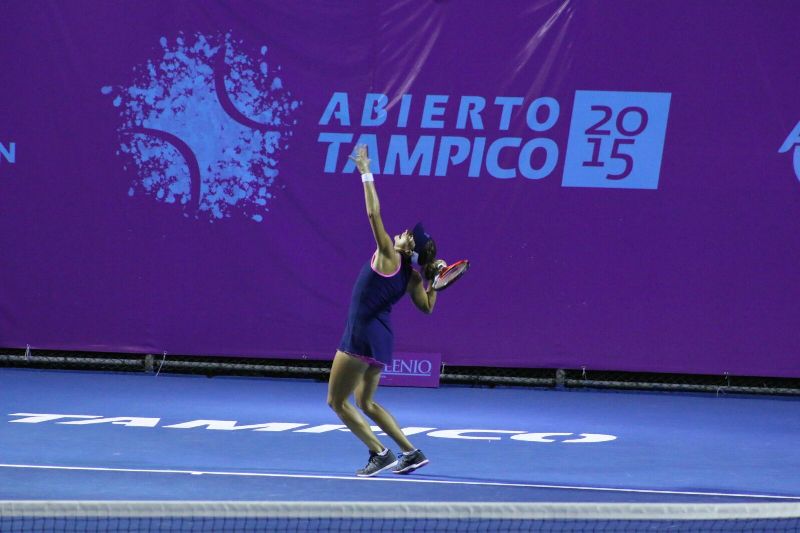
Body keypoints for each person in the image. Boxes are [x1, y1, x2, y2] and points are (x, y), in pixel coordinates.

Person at [327, 144, 444, 477]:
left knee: (337, 402)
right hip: (381, 341)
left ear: (410, 249)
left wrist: (365, 171)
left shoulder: (389, 256)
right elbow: (427, 309)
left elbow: (373, 214)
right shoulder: (412, 278)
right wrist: (434, 282)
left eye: (410, 236)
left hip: (360, 336)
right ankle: (411, 452)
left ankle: (379, 452)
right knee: (366, 403)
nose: (404, 233)